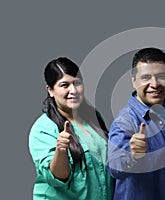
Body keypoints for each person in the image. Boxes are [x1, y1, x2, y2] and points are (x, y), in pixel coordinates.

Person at [107, 47, 165, 200]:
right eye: (146, 77)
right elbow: (114, 166)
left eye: (161, 76)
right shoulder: (125, 120)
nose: (155, 84)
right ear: (133, 81)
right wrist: (132, 155)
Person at [29, 57, 114, 199]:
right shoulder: (43, 128)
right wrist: (61, 151)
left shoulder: (93, 117)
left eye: (77, 83)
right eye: (64, 85)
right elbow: (56, 178)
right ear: (50, 90)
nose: (73, 90)